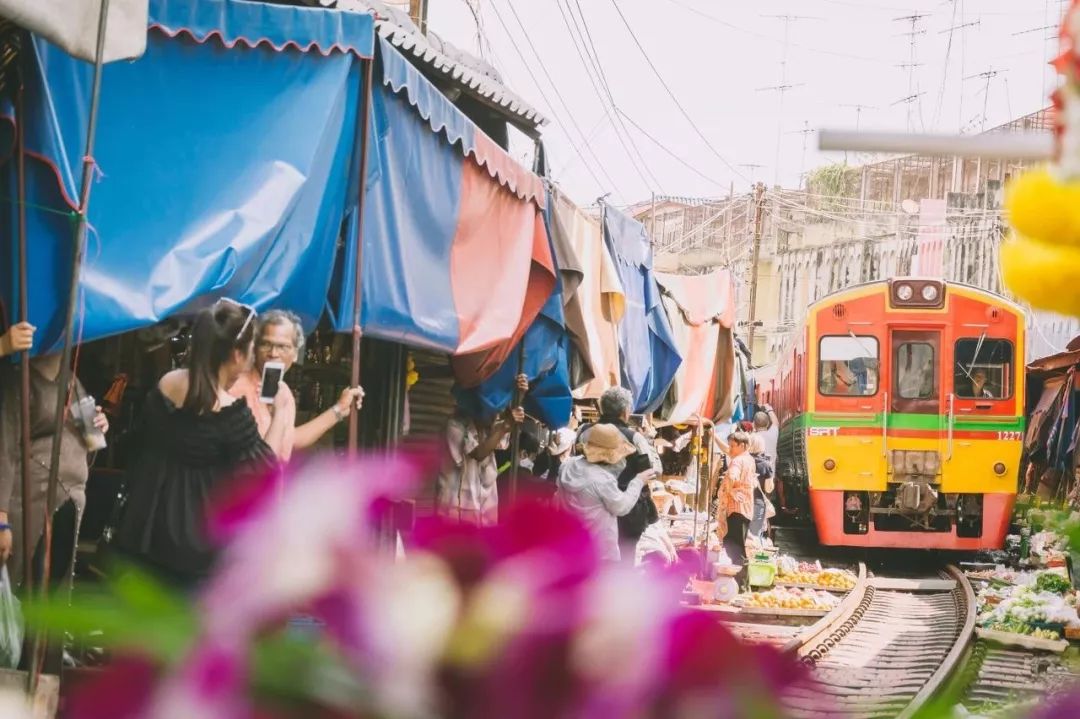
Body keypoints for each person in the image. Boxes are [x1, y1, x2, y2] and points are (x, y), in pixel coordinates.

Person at [113, 299, 291, 588]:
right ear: (236, 354)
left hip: (144, 535)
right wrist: (281, 412)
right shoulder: (231, 412)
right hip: (198, 554)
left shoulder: (165, 386)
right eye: (249, 351)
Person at [0, 325, 109, 591]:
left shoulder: (71, 380)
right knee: (21, 585)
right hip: (31, 500)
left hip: (69, 498)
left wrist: (100, 423)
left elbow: (91, 442)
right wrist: (1, 517)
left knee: (52, 588)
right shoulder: (17, 379)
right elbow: (5, 448)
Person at [230, 310, 363, 461]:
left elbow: (290, 440)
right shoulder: (236, 388)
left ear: (295, 354)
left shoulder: (284, 392)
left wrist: (340, 408)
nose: (273, 353)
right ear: (255, 348)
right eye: (266, 344)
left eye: (283, 347)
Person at [577, 387, 662, 558]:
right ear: (626, 412)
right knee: (623, 562)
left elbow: (575, 461)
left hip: (589, 507)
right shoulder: (634, 438)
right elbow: (653, 471)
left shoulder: (584, 432)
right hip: (626, 513)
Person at [556, 423, 658, 562]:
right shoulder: (601, 480)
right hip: (598, 555)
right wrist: (638, 481)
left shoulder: (568, 466)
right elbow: (622, 507)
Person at [436, 374, 527, 526]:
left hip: (483, 509)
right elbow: (478, 453)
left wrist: (519, 395)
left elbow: (501, 441)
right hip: (455, 508)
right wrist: (504, 426)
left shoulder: (488, 429)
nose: (495, 414)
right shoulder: (454, 426)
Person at [717, 431, 756, 589]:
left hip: (736, 509)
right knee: (738, 546)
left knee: (735, 548)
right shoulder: (748, 459)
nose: (730, 449)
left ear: (743, 445)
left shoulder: (737, 461)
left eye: (733, 446)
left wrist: (730, 490)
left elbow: (732, 476)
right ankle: (743, 584)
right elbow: (726, 450)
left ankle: (741, 585)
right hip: (745, 508)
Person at [747, 433, 774, 542]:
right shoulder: (765, 464)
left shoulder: (742, 460)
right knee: (753, 538)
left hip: (741, 502)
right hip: (757, 503)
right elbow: (768, 489)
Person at [753, 404, 779, 475]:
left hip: (755, 476)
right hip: (770, 476)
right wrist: (769, 409)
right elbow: (775, 423)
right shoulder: (773, 434)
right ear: (768, 424)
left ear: (754, 425)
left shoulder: (752, 437)